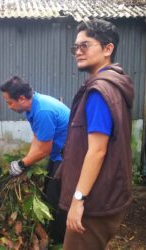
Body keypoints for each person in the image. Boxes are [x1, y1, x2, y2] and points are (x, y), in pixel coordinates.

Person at [56, 19, 134, 249]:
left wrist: (78, 200)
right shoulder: (113, 84)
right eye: (75, 47)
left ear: (108, 48)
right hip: (105, 193)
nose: (78, 52)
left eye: (85, 45)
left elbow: (97, 151)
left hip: (94, 201)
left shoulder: (100, 91)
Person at [0, 76, 70, 244]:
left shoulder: (43, 111)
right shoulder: (33, 107)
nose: (9, 106)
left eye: (9, 102)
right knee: (48, 192)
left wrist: (22, 163)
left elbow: (44, 149)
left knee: (57, 200)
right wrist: (25, 162)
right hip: (58, 154)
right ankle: (54, 233)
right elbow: (38, 139)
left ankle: (60, 240)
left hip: (68, 157)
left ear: (22, 98)